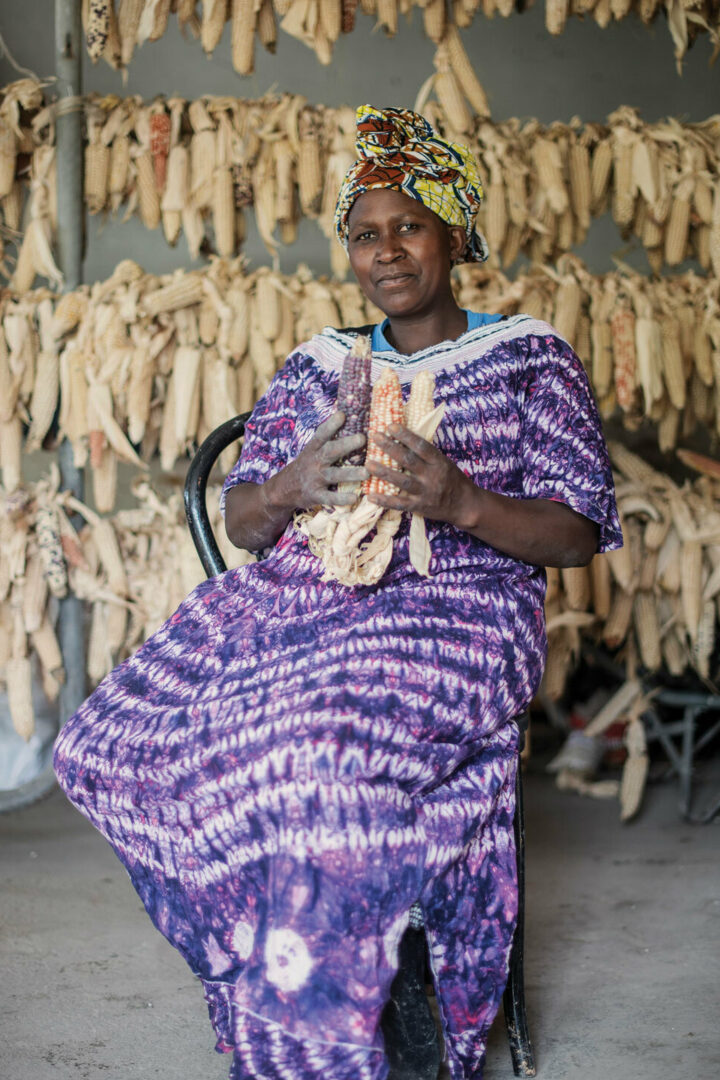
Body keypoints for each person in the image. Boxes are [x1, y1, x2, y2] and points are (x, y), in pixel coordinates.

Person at [54, 105, 623, 1080]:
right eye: (366, 234)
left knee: (314, 758)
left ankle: (319, 1029)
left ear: (454, 230)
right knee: (106, 741)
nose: (387, 251)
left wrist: (460, 497)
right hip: (304, 610)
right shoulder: (321, 367)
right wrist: (287, 485)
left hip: (458, 619)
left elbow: (577, 530)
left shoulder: (531, 356)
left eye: (408, 225)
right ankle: (262, 970)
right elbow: (242, 522)